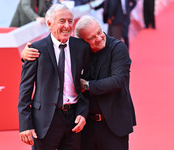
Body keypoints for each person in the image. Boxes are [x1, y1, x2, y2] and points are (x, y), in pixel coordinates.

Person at [21, 15, 136, 150]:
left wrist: (86, 86)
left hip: (114, 124)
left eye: (99, 32)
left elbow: (118, 81)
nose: (98, 38)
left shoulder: (118, 48)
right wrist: (26, 56)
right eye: (91, 38)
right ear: (83, 42)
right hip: (85, 126)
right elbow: (52, 52)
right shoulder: (78, 50)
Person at [18, 4, 90, 150]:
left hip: (73, 118)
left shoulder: (82, 48)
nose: (67, 26)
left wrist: (83, 112)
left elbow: (88, 83)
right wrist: (25, 124)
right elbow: (25, 89)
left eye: (70, 21)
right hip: (45, 120)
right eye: (62, 21)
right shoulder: (36, 50)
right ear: (49, 24)